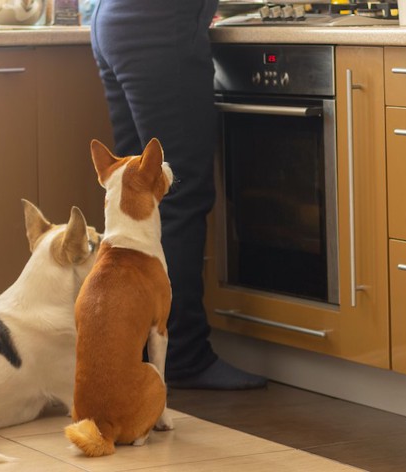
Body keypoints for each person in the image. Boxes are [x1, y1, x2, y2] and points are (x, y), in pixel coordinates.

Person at [90, 0, 267, 390]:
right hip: (158, 29)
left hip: (114, 21)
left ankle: (136, 350)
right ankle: (184, 355)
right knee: (181, 195)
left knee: (135, 196)